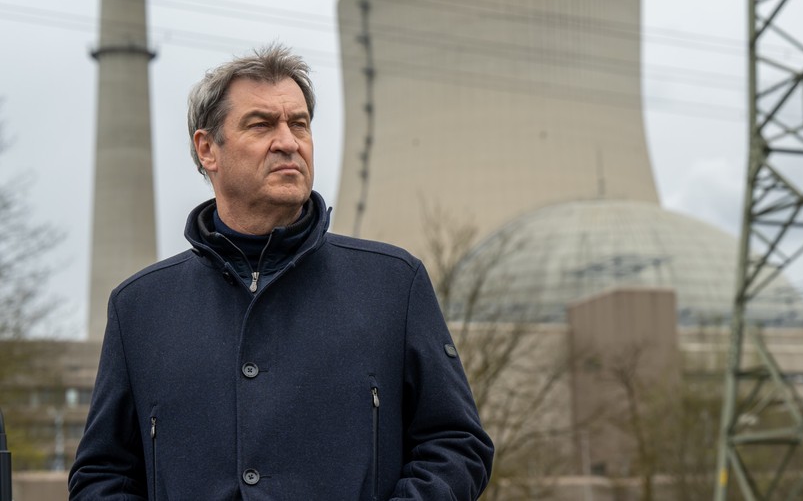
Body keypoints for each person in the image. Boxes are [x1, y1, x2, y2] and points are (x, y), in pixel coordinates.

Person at [69, 44, 494, 500]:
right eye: (261, 124)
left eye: (299, 124)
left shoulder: (392, 284)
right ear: (207, 148)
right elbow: (102, 475)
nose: (288, 142)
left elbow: (456, 444)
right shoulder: (141, 307)